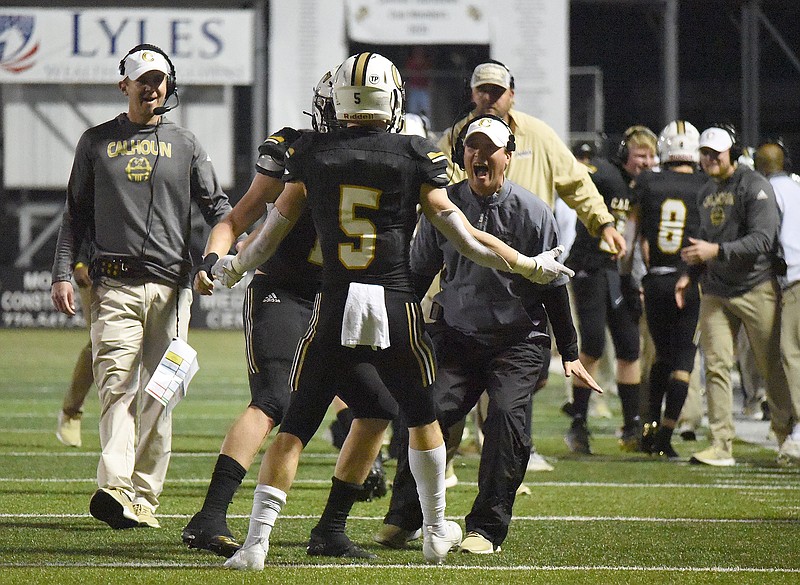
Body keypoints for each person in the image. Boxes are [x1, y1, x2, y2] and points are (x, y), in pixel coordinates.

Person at [213, 52, 573, 570]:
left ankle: (255, 545)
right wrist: (527, 265)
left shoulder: (312, 151)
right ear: (392, 97)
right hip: (394, 304)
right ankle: (432, 531)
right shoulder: (414, 153)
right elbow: (465, 237)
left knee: (294, 426)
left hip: (335, 303)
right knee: (423, 417)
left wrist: (233, 267)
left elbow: (270, 234)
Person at [374, 115, 601, 554]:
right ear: (461, 156)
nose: (479, 155)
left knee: (504, 420)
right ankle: (405, 515)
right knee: (424, 412)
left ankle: (487, 528)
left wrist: (569, 349)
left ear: (508, 158)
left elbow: (553, 285)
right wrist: (395, 326)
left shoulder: (535, 211)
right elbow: (420, 272)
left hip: (518, 340)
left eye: (490, 148)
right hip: (457, 335)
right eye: (471, 147)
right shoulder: (443, 206)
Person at [50, 44, 231, 529]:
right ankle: (116, 487)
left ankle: (144, 497)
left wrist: (232, 255)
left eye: (159, 79)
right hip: (113, 288)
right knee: (115, 387)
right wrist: (63, 272)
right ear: (123, 85)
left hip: (174, 293)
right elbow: (76, 216)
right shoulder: (95, 142)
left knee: (161, 394)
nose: (151, 87)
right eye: (141, 79)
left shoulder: (187, 143)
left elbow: (219, 209)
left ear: (168, 85)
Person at [436, 59, 624, 474]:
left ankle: (504, 458)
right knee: (451, 387)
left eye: (496, 91)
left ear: (512, 94)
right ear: (472, 94)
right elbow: (441, 204)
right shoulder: (456, 139)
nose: (488, 97)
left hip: (525, 280)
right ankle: (442, 466)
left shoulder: (538, 135)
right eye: (482, 90)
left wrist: (604, 222)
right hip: (466, 277)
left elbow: (576, 182)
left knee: (518, 379)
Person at [676, 124, 792, 466]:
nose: (709, 159)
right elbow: (704, 238)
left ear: (732, 152)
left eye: (716, 153)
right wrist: (689, 274)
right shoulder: (705, 190)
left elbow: (763, 240)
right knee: (715, 366)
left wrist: (716, 250)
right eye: (705, 153)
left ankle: (788, 436)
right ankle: (721, 443)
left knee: (771, 367)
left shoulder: (754, 185)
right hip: (716, 288)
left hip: (756, 286)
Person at [563, 125, 658, 454]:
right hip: (590, 265)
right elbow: (576, 173)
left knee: (630, 346)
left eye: (650, 156)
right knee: (592, 342)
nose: (645, 162)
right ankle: (578, 421)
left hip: (621, 272)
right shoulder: (604, 172)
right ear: (624, 155)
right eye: (639, 155)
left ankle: (632, 423)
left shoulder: (646, 188)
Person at [634, 121, 707, 458]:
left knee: (661, 356)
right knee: (683, 360)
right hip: (688, 279)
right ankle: (664, 435)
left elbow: (642, 240)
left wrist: (644, 278)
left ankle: (648, 428)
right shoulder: (704, 184)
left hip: (657, 278)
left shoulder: (648, 181)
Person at [753, 139, 800, 463]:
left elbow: (769, 238)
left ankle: (796, 431)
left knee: (789, 356)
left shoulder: (767, 191)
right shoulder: (796, 187)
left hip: (792, 278)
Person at [56, 255, 94, 448]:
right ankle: (72, 411)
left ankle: (138, 422)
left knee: (150, 348)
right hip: (98, 267)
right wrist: (79, 263)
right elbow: (79, 225)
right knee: (100, 344)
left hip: (154, 269)